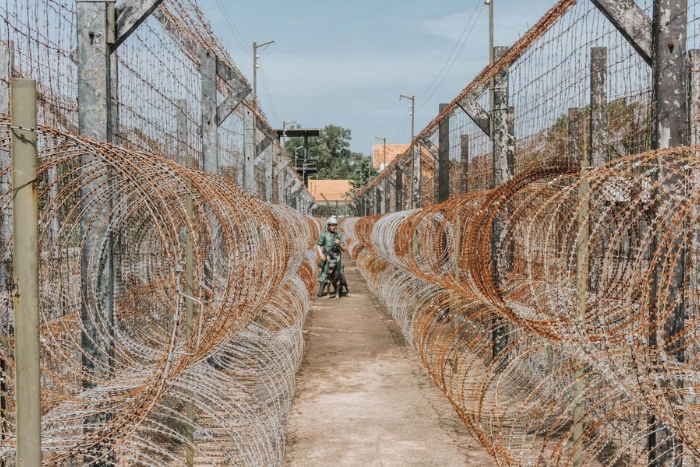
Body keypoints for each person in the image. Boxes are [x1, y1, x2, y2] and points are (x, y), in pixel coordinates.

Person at [317, 216, 346, 297]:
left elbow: (344, 249)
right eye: (331, 225)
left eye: (334, 225)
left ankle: (339, 288)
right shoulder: (324, 235)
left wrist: (339, 244)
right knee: (325, 272)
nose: (333, 227)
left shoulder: (338, 236)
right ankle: (321, 289)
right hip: (327, 256)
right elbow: (319, 245)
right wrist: (321, 255)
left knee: (338, 272)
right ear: (328, 225)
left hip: (336, 257)